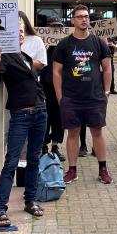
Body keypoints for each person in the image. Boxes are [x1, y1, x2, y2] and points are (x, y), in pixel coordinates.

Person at [52, 4, 113, 185]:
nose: (84, 19)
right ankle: (72, 170)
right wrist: (60, 97)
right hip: (71, 97)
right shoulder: (64, 44)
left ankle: (103, 169)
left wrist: (107, 91)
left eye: (86, 16)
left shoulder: (98, 42)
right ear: (73, 20)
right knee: (73, 133)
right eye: (79, 17)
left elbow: (107, 68)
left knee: (97, 131)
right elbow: (56, 72)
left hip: (94, 97)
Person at [0, 46, 47, 224]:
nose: (21, 34)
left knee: (34, 158)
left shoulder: (25, 55)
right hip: (21, 115)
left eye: (22, 31)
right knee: (11, 161)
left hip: (40, 112)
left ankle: (30, 201)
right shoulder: (5, 55)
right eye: (17, 31)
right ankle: (0, 209)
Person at [40, 21, 66, 162]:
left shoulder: (65, 46)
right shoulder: (42, 46)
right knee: (45, 117)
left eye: (59, 28)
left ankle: (55, 146)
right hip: (45, 87)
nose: (56, 30)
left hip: (62, 88)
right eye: (53, 27)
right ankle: (43, 146)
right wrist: (43, 49)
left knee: (59, 118)